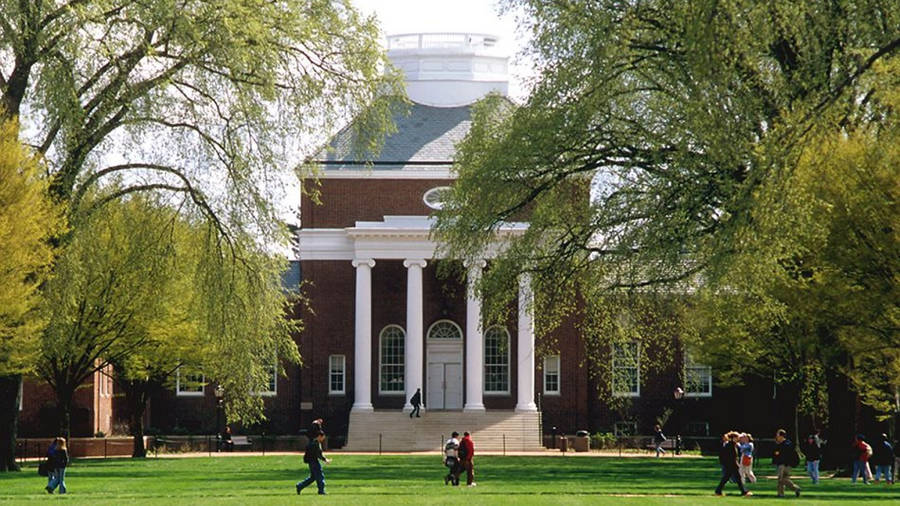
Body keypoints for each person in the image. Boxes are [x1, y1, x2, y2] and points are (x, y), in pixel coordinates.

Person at [715, 431, 750, 496]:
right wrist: (736, 464)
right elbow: (731, 457)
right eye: (737, 437)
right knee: (736, 478)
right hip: (732, 465)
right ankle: (744, 491)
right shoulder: (730, 445)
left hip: (731, 465)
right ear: (733, 438)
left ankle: (718, 490)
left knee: (727, 478)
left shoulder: (732, 445)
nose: (738, 439)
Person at [296, 430, 330, 495]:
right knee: (320, 476)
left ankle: (300, 486)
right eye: (323, 437)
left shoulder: (312, 442)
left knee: (313, 477)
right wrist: (325, 460)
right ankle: (321, 491)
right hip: (314, 462)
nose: (323, 439)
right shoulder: (316, 444)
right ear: (319, 436)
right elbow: (319, 454)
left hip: (311, 462)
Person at [773, 429, 801, 498]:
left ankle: (795, 488)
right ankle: (781, 494)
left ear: (781, 436)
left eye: (778, 435)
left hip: (785, 465)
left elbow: (788, 455)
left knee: (781, 479)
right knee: (782, 479)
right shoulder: (779, 444)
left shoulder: (787, 444)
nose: (776, 436)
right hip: (780, 464)